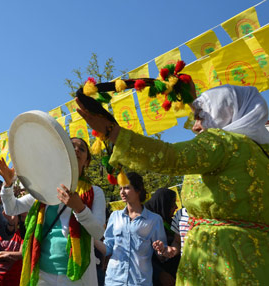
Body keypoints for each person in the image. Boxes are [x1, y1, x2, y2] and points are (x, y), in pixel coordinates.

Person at [76, 84, 269, 285]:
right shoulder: (260, 155)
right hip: (256, 260)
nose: (195, 127)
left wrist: (111, 131)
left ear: (225, 113)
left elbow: (169, 157)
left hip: (220, 260)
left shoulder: (225, 143)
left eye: (201, 118)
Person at [0, 137, 106, 286]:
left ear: (86, 161)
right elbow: (12, 208)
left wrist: (79, 208)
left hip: (77, 275)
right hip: (42, 273)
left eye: (81, 149)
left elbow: (98, 232)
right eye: (71, 146)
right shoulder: (46, 188)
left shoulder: (95, 192)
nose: (76, 150)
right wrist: (8, 185)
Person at [102, 172, 168, 286]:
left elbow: (162, 256)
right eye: (120, 188)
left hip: (140, 281)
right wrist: (91, 238)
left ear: (138, 190)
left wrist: (161, 250)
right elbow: (108, 247)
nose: (122, 192)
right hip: (113, 280)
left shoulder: (154, 219)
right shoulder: (115, 216)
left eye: (127, 188)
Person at [144, 188, 180, 286]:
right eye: (172, 204)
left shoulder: (171, 222)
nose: (176, 207)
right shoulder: (146, 225)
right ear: (163, 204)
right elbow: (141, 254)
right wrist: (159, 273)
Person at [0, 213, 24, 286]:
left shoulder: (22, 235)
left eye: (12, 214)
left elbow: (21, 254)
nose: (9, 218)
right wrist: (8, 255)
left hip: (14, 281)